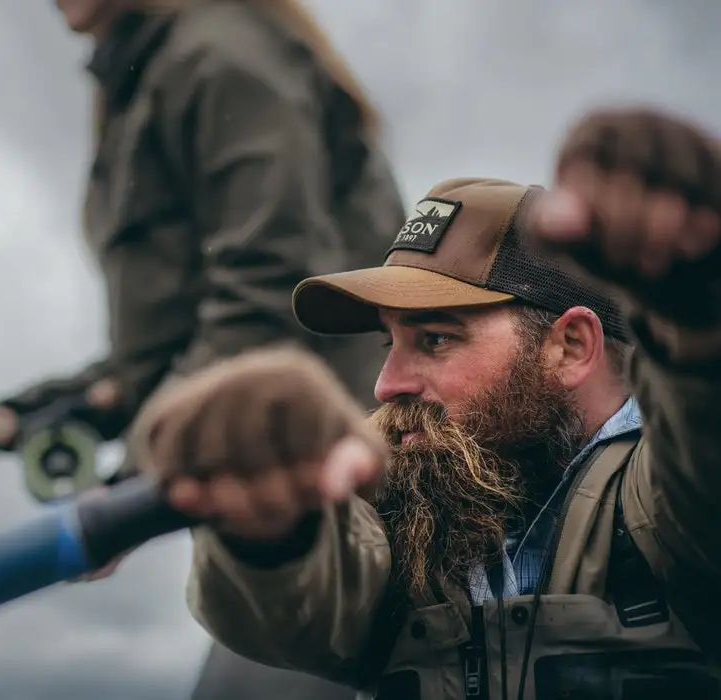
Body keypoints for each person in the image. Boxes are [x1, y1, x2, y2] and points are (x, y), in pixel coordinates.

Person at [0, 1, 404, 699]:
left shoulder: (220, 54)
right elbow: (159, 358)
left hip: (353, 495)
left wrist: (128, 487)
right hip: (284, 515)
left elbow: (267, 295)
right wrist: (4, 424)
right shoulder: (150, 74)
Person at [126, 106, 721, 699]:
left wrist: (698, 315)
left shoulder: (671, 501)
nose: (387, 384)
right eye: (392, 342)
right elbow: (300, 604)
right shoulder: (417, 501)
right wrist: (272, 530)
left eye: (435, 339)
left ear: (569, 347)